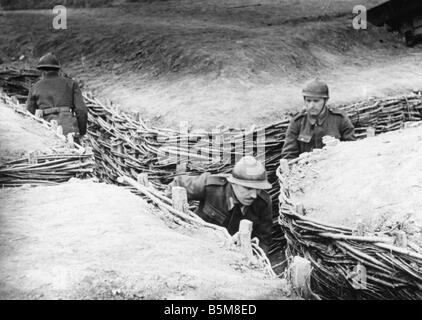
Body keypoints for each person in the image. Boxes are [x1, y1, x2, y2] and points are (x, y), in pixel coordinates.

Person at [167, 156, 273, 255]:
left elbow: (263, 239)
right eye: (248, 188)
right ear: (233, 183)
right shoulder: (211, 186)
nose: (254, 195)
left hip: (232, 255)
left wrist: (256, 258)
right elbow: (176, 185)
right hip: (197, 244)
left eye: (258, 189)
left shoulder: (263, 203)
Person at [281, 79, 355, 159]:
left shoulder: (340, 119)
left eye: (316, 101)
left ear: (325, 101)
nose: (311, 105)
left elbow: (351, 150)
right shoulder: (297, 122)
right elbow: (289, 155)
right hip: (306, 169)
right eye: (308, 101)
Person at [26, 52, 88, 142]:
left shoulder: (35, 87)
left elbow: (29, 115)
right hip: (69, 130)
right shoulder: (71, 84)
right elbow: (82, 111)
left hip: (46, 131)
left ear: (42, 71)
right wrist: (82, 132)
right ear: (58, 70)